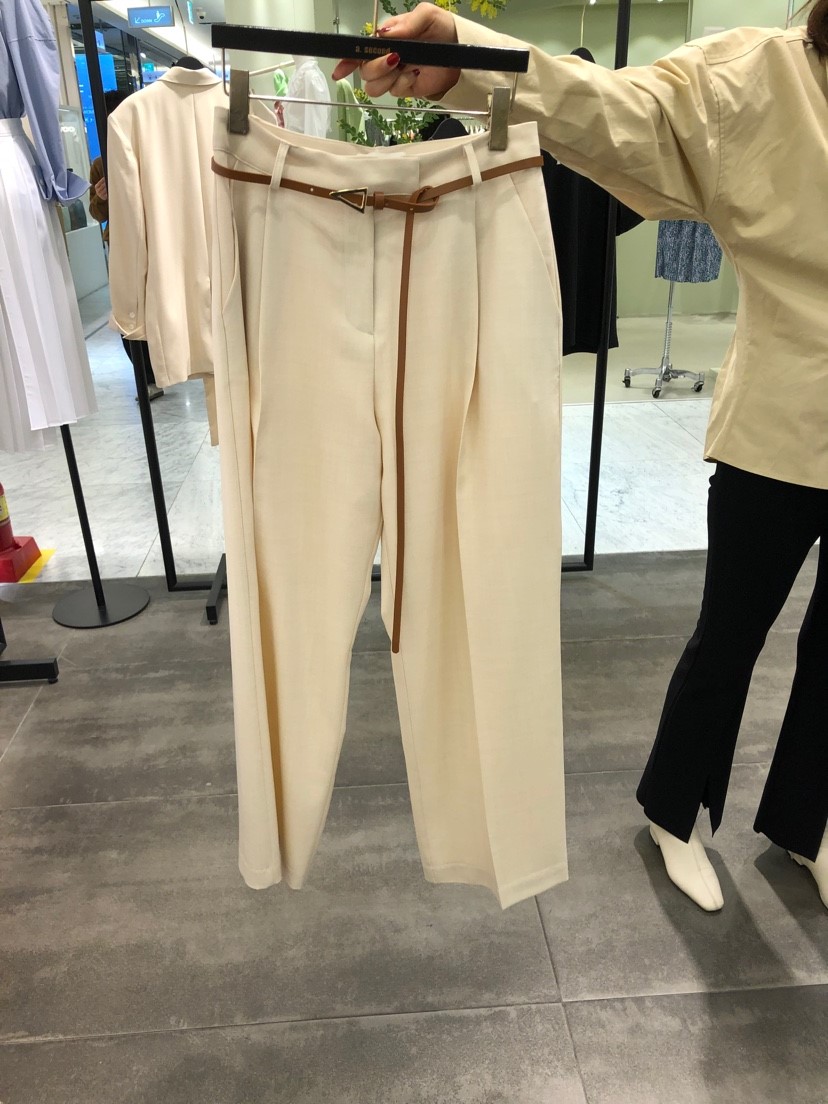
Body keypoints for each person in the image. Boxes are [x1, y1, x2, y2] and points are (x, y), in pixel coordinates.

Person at [334, 1, 828, 912]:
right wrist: (472, 55)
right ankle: (673, 812)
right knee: (732, 633)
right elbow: (610, 109)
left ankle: (807, 822)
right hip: (783, 421)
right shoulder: (761, 76)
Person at [87, 89, 163, 401]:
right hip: (120, 244)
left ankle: (160, 368)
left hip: (153, 240)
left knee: (156, 304)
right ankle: (146, 376)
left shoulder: (148, 154)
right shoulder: (100, 164)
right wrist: (100, 198)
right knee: (126, 309)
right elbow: (96, 213)